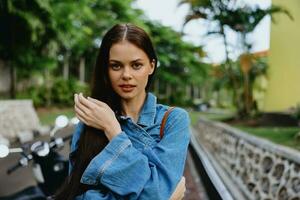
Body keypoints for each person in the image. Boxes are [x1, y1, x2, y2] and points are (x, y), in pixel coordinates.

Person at [55, 23, 191, 200]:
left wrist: (113, 130)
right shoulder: (90, 122)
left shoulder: (173, 120)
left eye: (136, 65)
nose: (126, 75)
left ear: (151, 66)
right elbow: (76, 194)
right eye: (116, 66)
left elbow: (155, 193)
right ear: (106, 69)